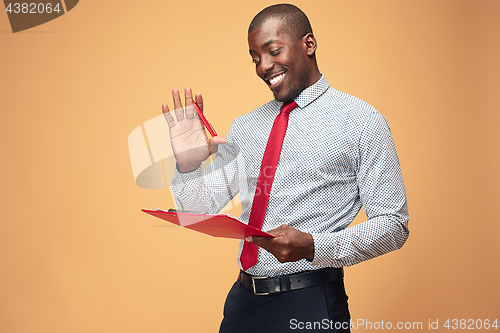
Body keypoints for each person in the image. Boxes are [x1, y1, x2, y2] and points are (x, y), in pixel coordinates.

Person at [162, 4, 409, 333]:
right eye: (254, 58)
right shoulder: (245, 127)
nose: (263, 66)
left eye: (272, 51)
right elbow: (197, 209)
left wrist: (313, 245)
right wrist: (188, 165)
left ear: (308, 44)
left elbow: (394, 225)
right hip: (243, 303)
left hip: (311, 302)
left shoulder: (361, 121)